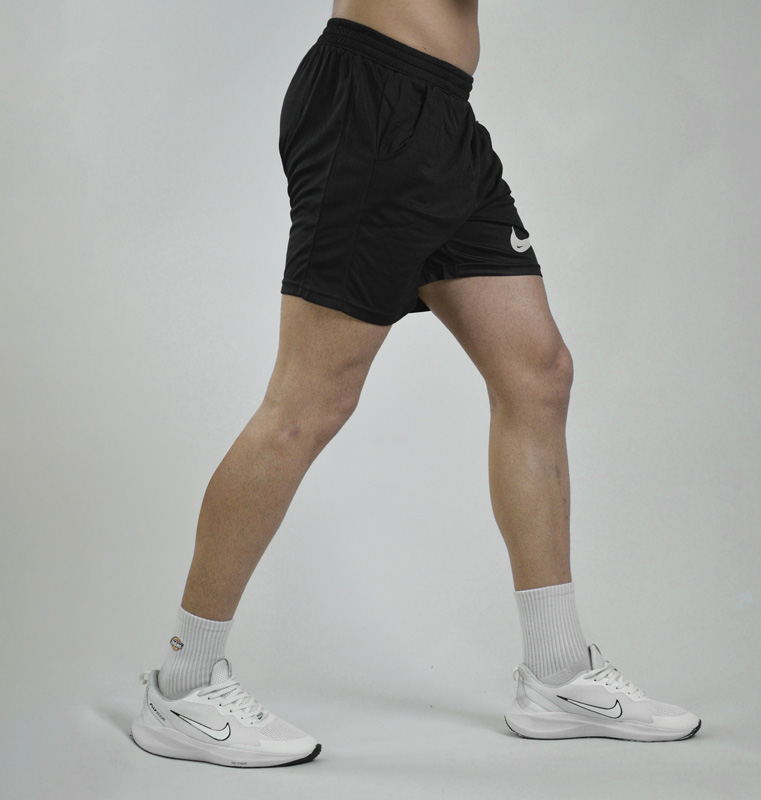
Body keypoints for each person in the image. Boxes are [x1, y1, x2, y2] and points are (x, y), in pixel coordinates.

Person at [131, 0, 701, 768]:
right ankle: (182, 684)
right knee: (306, 405)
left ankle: (559, 675)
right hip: (373, 105)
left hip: (442, 115)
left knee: (538, 374)